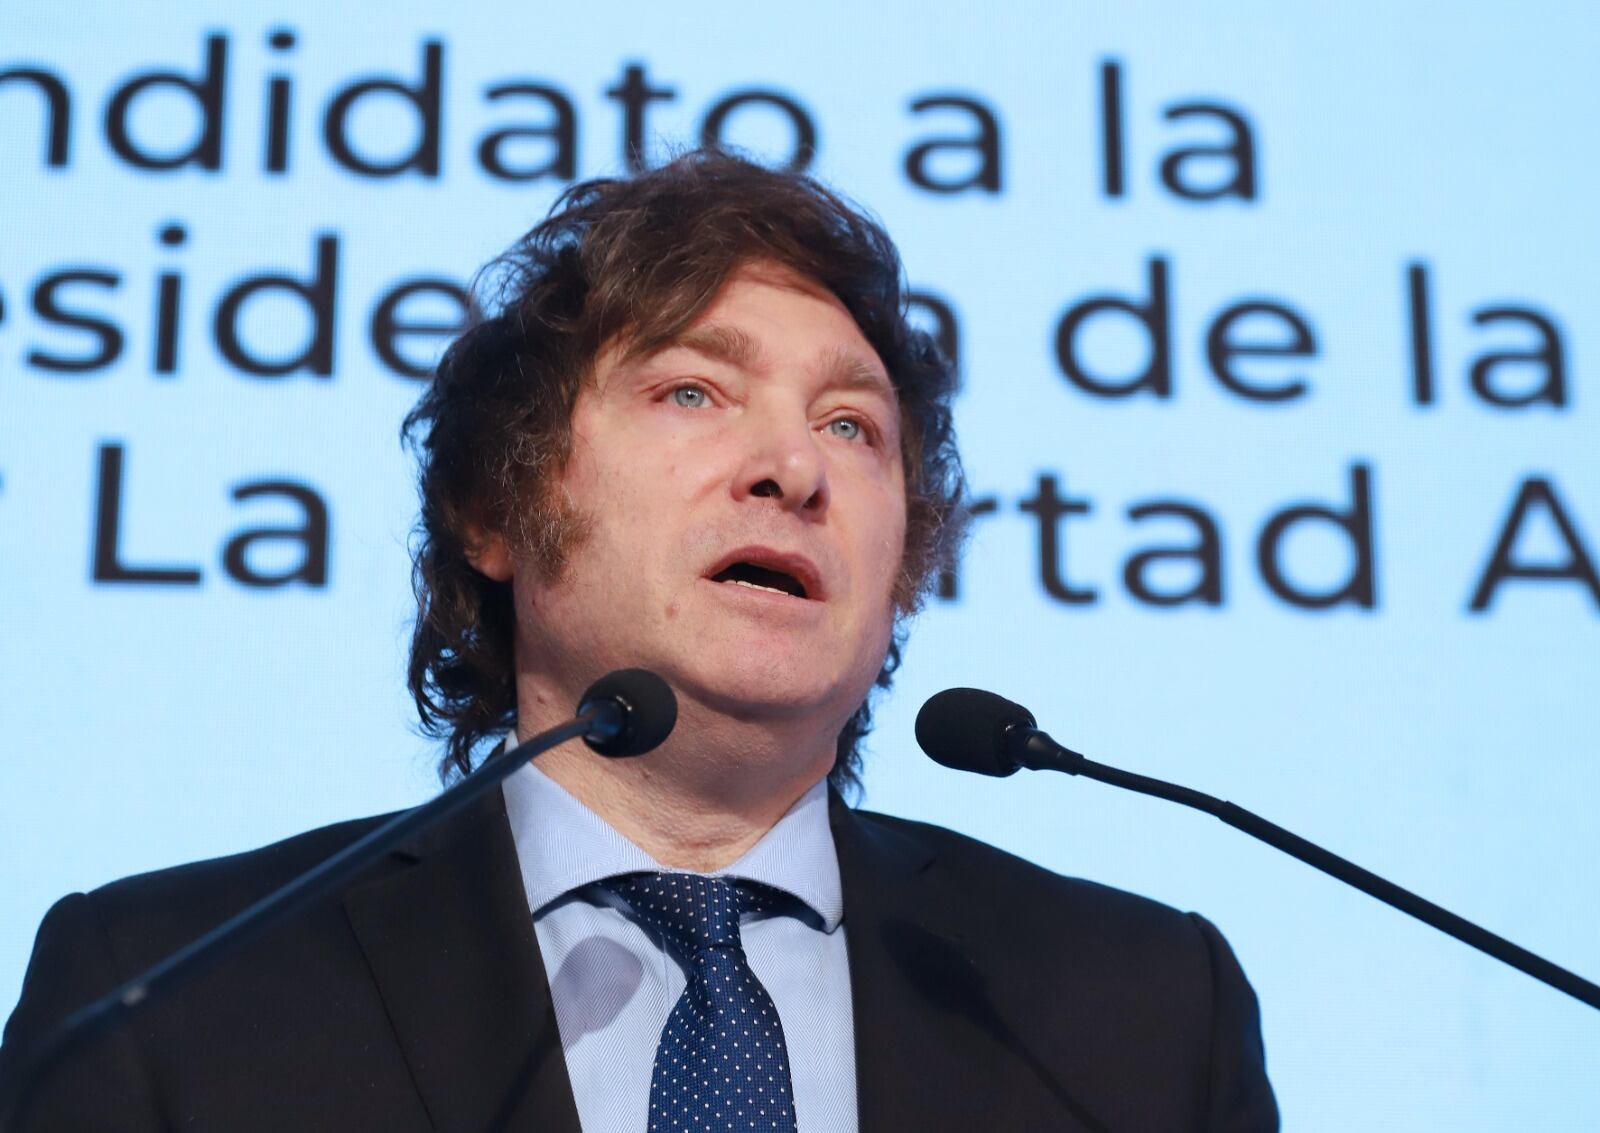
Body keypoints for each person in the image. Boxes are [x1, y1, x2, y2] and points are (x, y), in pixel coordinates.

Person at [0, 149, 1278, 1131]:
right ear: (495, 508)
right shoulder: (169, 994)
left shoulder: (1143, 1015)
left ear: (905, 573)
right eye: (691, 391)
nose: (792, 466)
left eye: (851, 426)